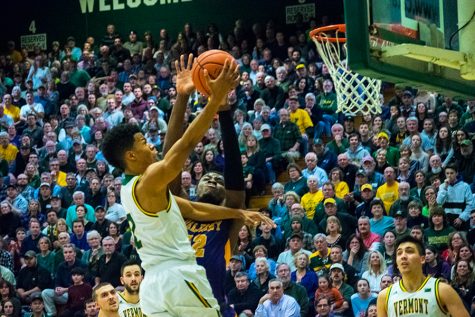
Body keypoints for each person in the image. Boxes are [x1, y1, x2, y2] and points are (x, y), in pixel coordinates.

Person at [102, 56, 271, 316]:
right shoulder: (149, 181)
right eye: (143, 142)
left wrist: (238, 213)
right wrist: (215, 100)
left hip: (153, 287)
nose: (151, 145)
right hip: (179, 276)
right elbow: (185, 145)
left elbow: (191, 208)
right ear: (131, 156)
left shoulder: (128, 190)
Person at [377, 235, 470, 316]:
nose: (403, 256)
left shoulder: (443, 290)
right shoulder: (384, 296)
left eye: (409, 251)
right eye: (399, 253)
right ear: (396, 263)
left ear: (422, 259)